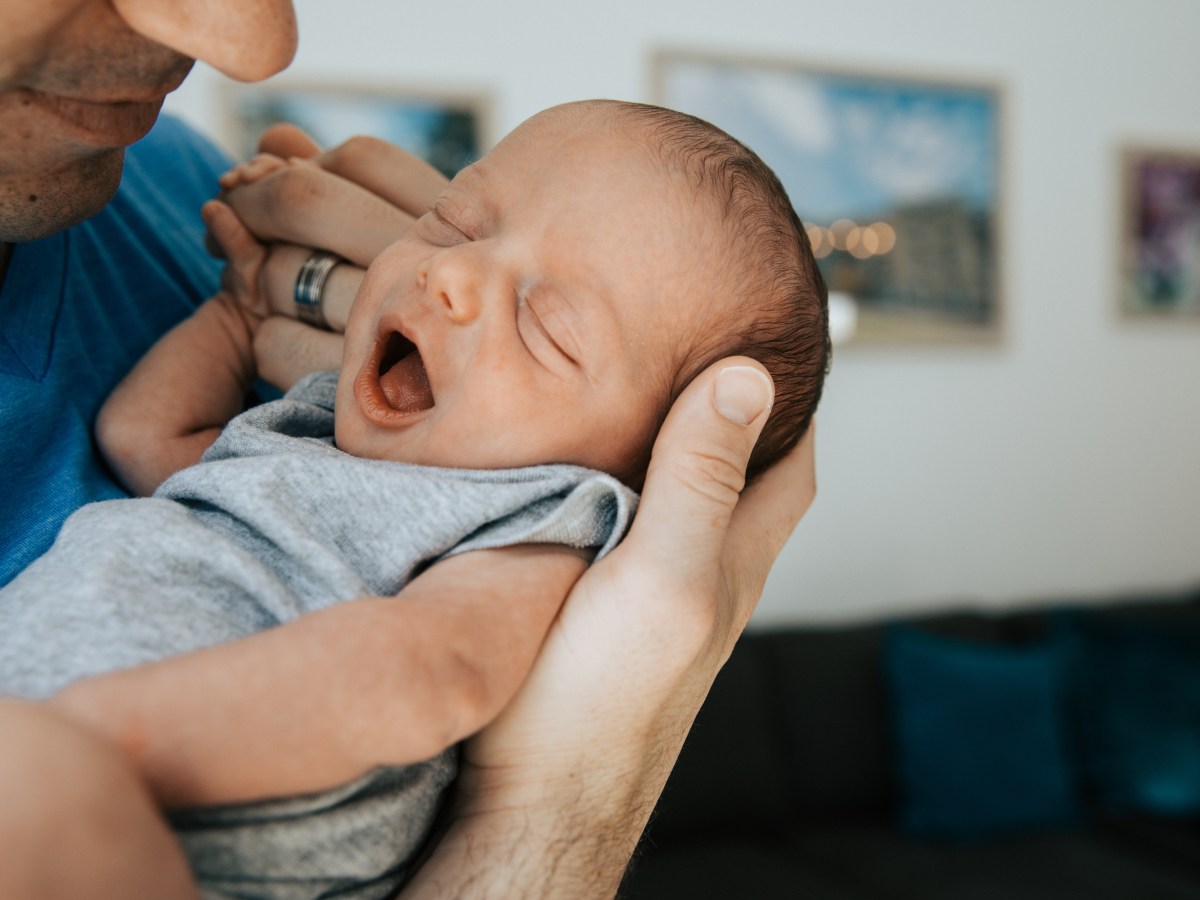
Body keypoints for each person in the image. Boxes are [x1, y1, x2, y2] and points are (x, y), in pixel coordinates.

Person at [0, 3, 819, 897]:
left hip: (179, 824)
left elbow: (434, 674)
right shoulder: (308, 432)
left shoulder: (537, 519)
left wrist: (103, 740)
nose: (452, 276)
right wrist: (233, 317)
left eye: (547, 325)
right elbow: (144, 438)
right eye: (455, 225)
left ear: (647, 458)